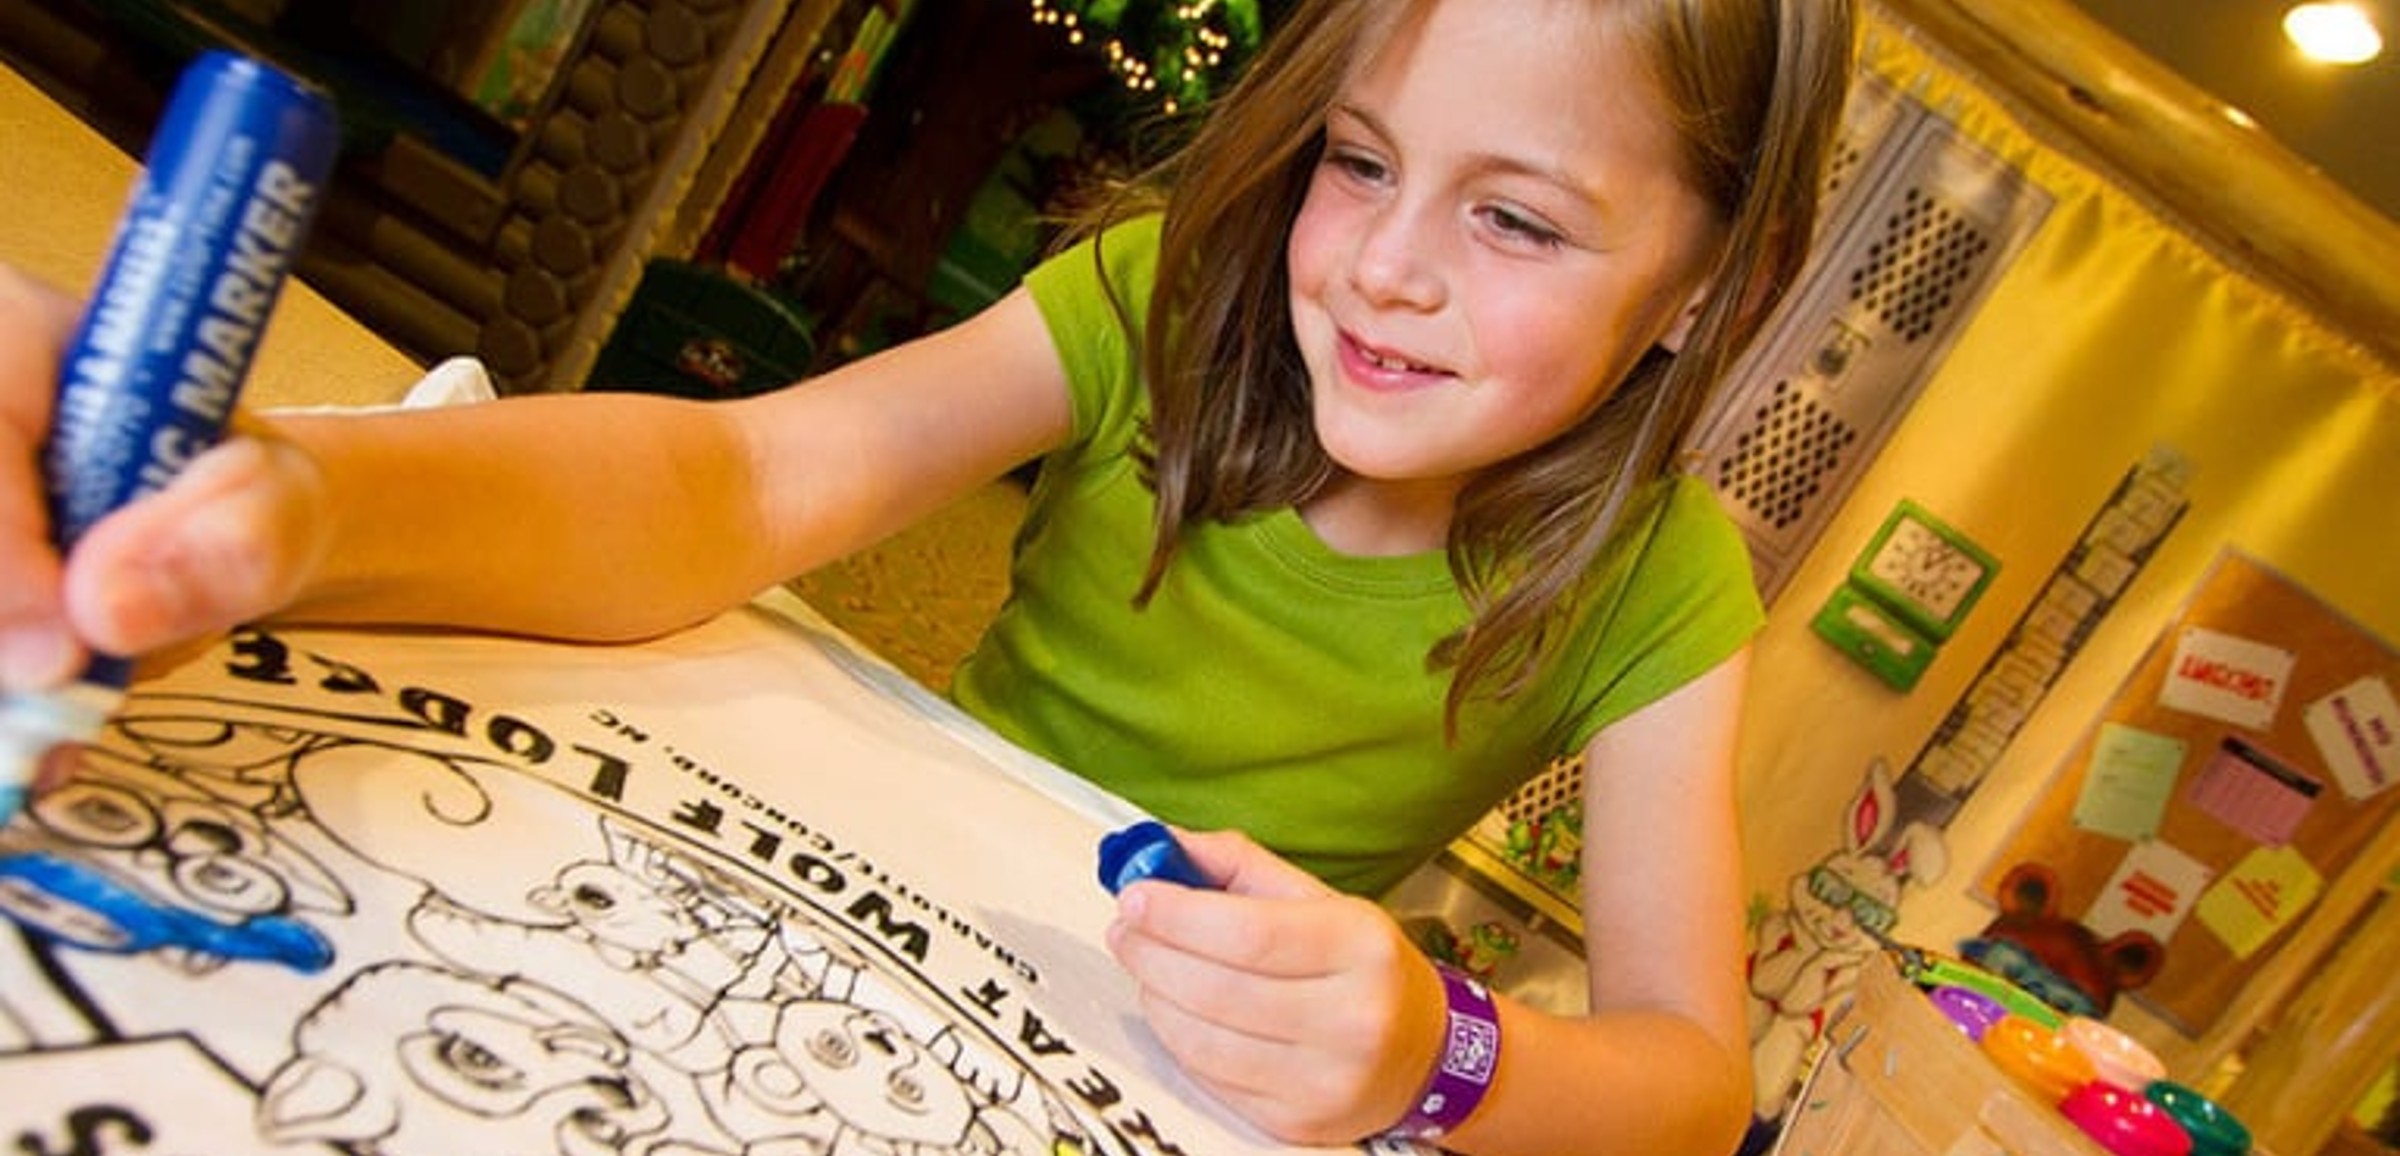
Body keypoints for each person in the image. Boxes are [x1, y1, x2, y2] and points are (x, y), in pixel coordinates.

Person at [0, 0, 1856, 1151]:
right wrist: (312, 494)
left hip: (1204, 1070)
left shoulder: (1663, 584)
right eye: (1358, 162)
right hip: (886, 903)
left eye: (1516, 217)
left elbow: (1690, 1079)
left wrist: (1433, 1055)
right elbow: (741, 472)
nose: (1382, 268)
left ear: (1714, 282)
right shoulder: (1155, 304)